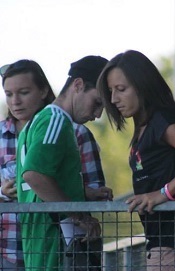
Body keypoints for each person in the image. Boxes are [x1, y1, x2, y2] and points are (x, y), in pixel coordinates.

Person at [97, 50, 175, 270]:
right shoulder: (147, 126)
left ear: (143, 86)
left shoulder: (161, 122)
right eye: (111, 91)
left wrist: (164, 193)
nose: (114, 99)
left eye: (121, 89)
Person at [0, 59, 113, 271]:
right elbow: (34, 175)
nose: (98, 114)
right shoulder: (55, 119)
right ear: (78, 85)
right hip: (54, 243)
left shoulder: (33, 124)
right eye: (97, 102)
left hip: (39, 244)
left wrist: (84, 192)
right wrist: (79, 217)